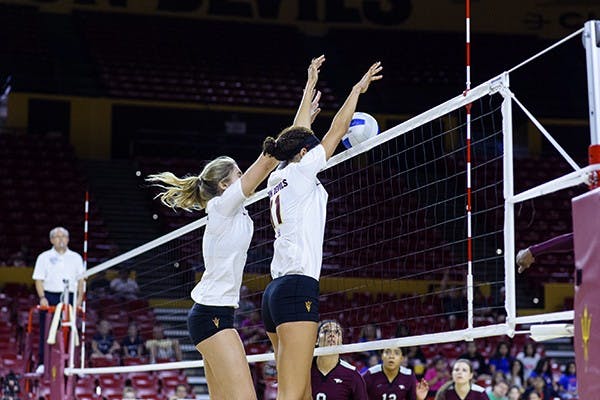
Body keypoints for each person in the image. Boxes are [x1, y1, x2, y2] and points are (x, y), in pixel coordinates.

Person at [147, 55, 325, 400]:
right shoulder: (222, 205)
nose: (245, 178)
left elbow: (288, 155)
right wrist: (296, 131)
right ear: (226, 185)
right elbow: (273, 157)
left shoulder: (233, 209)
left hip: (213, 315)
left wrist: (307, 92)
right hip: (212, 315)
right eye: (239, 175)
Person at [261, 60, 383, 400]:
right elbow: (336, 131)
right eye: (309, 147)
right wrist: (356, 90)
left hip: (274, 294)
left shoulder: (278, 176)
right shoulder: (301, 173)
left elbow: (294, 138)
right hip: (297, 288)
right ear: (305, 153)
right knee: (292, 393)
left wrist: (308, 87)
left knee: (299, 391)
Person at [32, 226, 84, 371]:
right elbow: (38, 280)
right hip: (50, 296)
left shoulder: (76, 257)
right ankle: (43, 363)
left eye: (63, 237)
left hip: (70, 297)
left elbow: (81, 281)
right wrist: (42, 297)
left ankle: (71, 364)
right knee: (47, 330)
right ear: (51, 240)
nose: (61, 239)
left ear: (68, 239)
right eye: (58, 237)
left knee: (71, 330)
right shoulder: (44, 257)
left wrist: (79, 299)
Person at [311, 320, 368, 400]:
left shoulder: (353, 376)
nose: (331, 335)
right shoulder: (304, 371)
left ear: (341, 342)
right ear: (316, 340)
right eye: (326, 331)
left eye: (337, 332)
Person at [363, 347, 429, 400]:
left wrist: (419, 399)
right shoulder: (370, 374)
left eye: (396, 353)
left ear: (401, 358)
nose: (391, 356)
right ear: (382, 356)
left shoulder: (408, 375)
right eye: (387, 352)